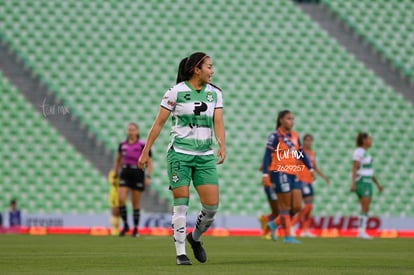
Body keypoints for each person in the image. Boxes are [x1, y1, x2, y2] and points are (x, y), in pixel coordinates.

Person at [138, 52, 225, 265]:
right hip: (179, 154)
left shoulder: (215, 94)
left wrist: (222, 144)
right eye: (209, 67)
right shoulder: (175, 92)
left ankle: (194, 238)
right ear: (197, 69)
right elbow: (158, 124)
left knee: (212, 207)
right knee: (181, 204)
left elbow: (218, 122)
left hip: (204, 156)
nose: (212, 71)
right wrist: (145, 151)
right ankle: (180, 253)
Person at [262, 110, 313, 244]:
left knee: (296, 206)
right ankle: (288, 236)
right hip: (279, 172)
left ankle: (274, 224)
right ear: (281, 120)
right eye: (288, 118)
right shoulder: (275, 136)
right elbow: (267, 155)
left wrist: (311, 168)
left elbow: (301, 154)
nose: (291, 121)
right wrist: (265, 174)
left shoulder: (295, 136)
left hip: (293, 172)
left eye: (292, 119)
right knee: (284, 207)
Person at [112, 123, 152, 237]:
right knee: (121, 199)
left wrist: (148, 176)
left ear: (137, 131)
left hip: (137, 173)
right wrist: (115, 173)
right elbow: (118, 160)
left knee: (135, 203)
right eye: (129, 130)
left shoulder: (142, 145)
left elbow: (149, 162)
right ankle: (125, 225)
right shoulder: (122, 145)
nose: (131, 132)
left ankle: (135, 229)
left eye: (133, 129)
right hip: (125, 172)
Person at [291, 134, 330, 237]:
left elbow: (314, 167)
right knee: (308, 205)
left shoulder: (312, 153)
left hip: (309, 181)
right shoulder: (300, 152)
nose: (308, 142)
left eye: (310, 140)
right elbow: (295, 164)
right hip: (301, 180)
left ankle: (305, 230)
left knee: (310, 207)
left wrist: (324, 177)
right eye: (307, 140)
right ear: (303, 141)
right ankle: (292, 225)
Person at [351, 132, 383, 239]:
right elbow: (355, 167)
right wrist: (354, 183)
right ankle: (361, 231)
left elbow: (369, 171)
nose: (370, 141)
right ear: (364, 140)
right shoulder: (359, 152)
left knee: (366, 207)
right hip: (362, 181)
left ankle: (361, 230)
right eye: (369, 139)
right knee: (365, 207)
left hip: (368, 181)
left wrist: (377, 184)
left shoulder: (366, 153)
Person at [258, 165, 279, 239]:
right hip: (271, 185)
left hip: (277, 185)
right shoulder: (273, 155)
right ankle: (267, 232)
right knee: (277, 211)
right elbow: (262, 167)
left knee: (277, 211)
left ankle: (265, 219)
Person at [108, 169, 121, 236]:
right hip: (114, 194)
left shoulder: (123, 172)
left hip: (121, 194)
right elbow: (112, 182)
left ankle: (117, 229)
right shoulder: (113, 172)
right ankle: (113, 229)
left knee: (119, 212)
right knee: (114, 211)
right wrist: (115, 176)